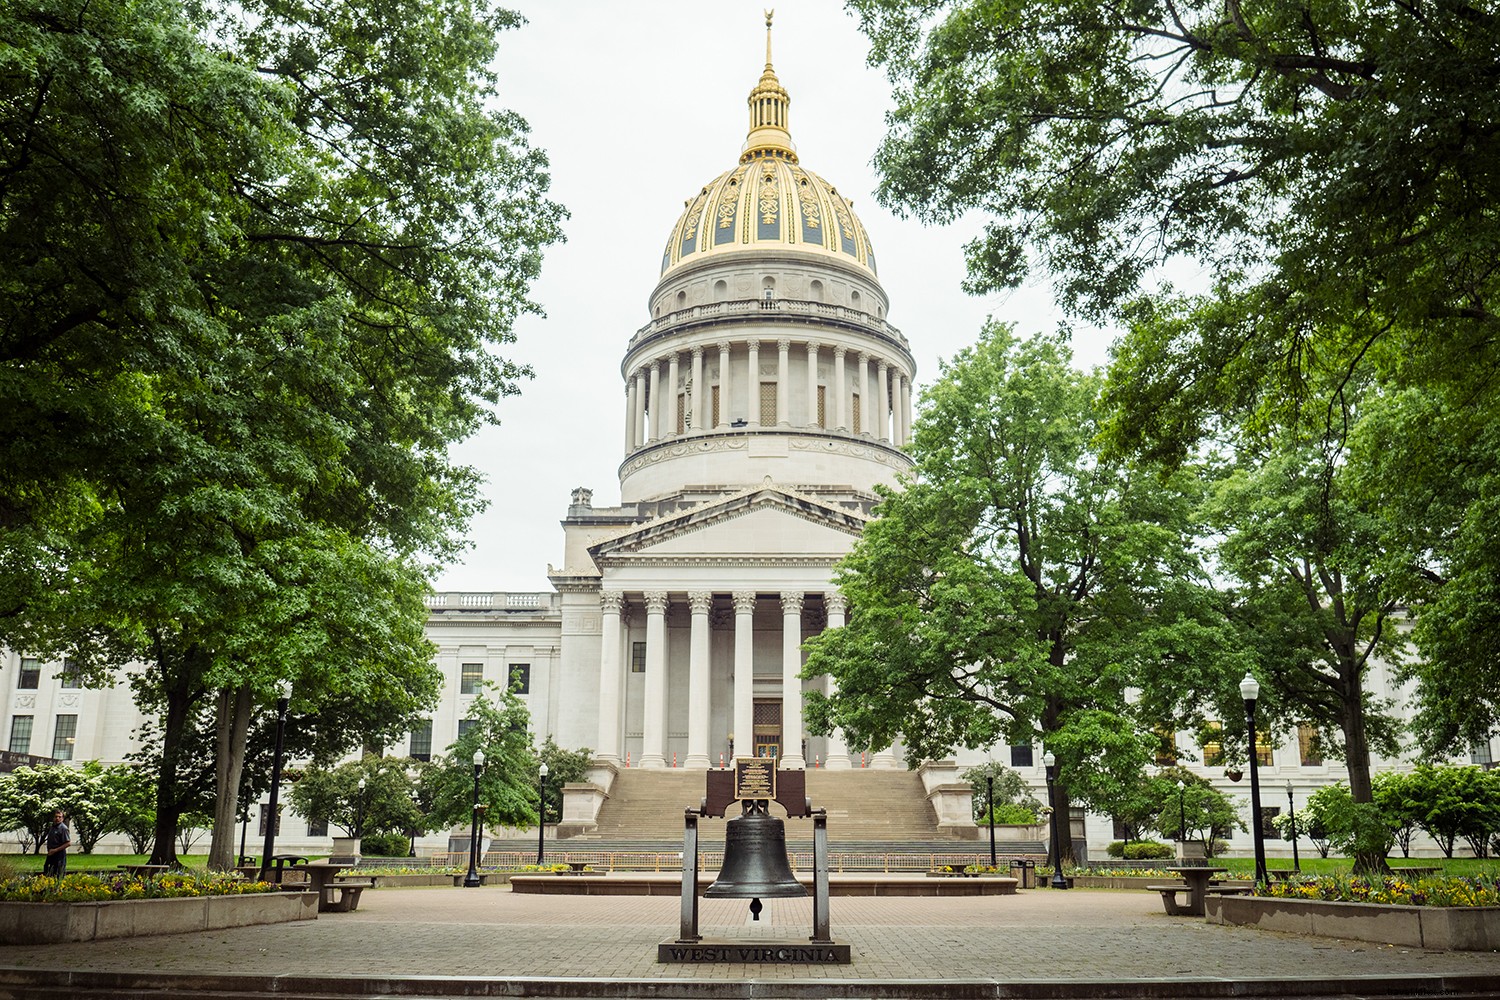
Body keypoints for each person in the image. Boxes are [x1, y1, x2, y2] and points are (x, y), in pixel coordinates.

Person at [42, 809, 70, 878]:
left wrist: (55, 850)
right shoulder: (53, 827)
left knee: (58, 874)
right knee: (47, 872)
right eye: (56, 817)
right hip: (51, 854)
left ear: (62, 818)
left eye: (59, 817)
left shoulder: (63, 828)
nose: (57, 818)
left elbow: (68, 843)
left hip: (59, 855)